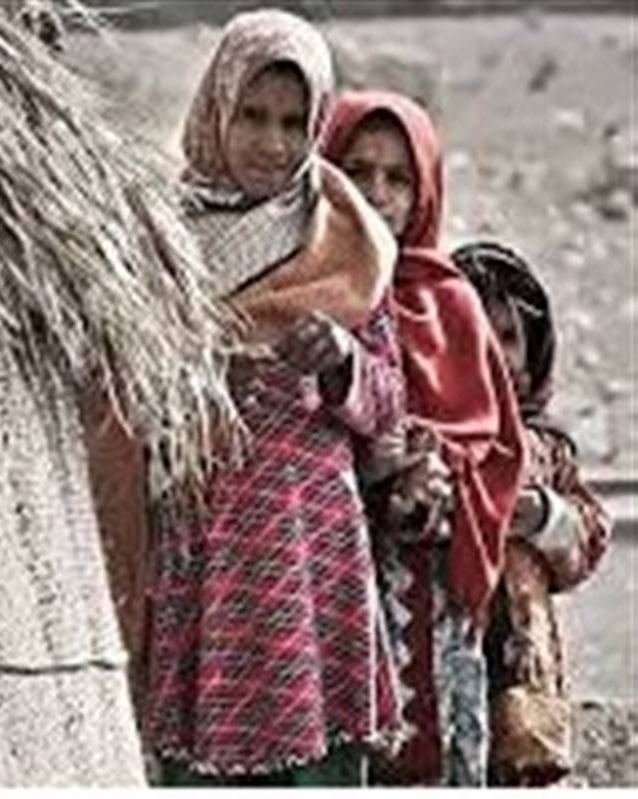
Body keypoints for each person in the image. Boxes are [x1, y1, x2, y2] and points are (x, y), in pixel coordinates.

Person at [143, 10, 405, 785]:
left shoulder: (345, 239)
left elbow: (389, 402)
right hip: (205, 558)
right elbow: (115, 393)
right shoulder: (158, 240)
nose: (272, 142)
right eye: (252, 116)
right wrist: (195, 386)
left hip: (311, 556)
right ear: (215, 109)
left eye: (294, 123)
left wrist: (342, 359)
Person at [322, 91, 528, 786]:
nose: (376, 193)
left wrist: (432, 465)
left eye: (398, 177)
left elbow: (499, 449)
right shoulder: (309, 287)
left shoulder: (451, 302)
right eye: (357, 169)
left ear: (425, 191)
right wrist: (369, 465)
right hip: (322, 581)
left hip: (433, 597)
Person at [452, 240, 612, 786]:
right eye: (473, 335)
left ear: (533, 349)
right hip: (446, 638)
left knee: (521, 758)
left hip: (523, 653)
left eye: (508, 337)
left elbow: (590, 531)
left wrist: (545, 517)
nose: (493, 353)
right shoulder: (432, 439)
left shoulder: (546, 447)